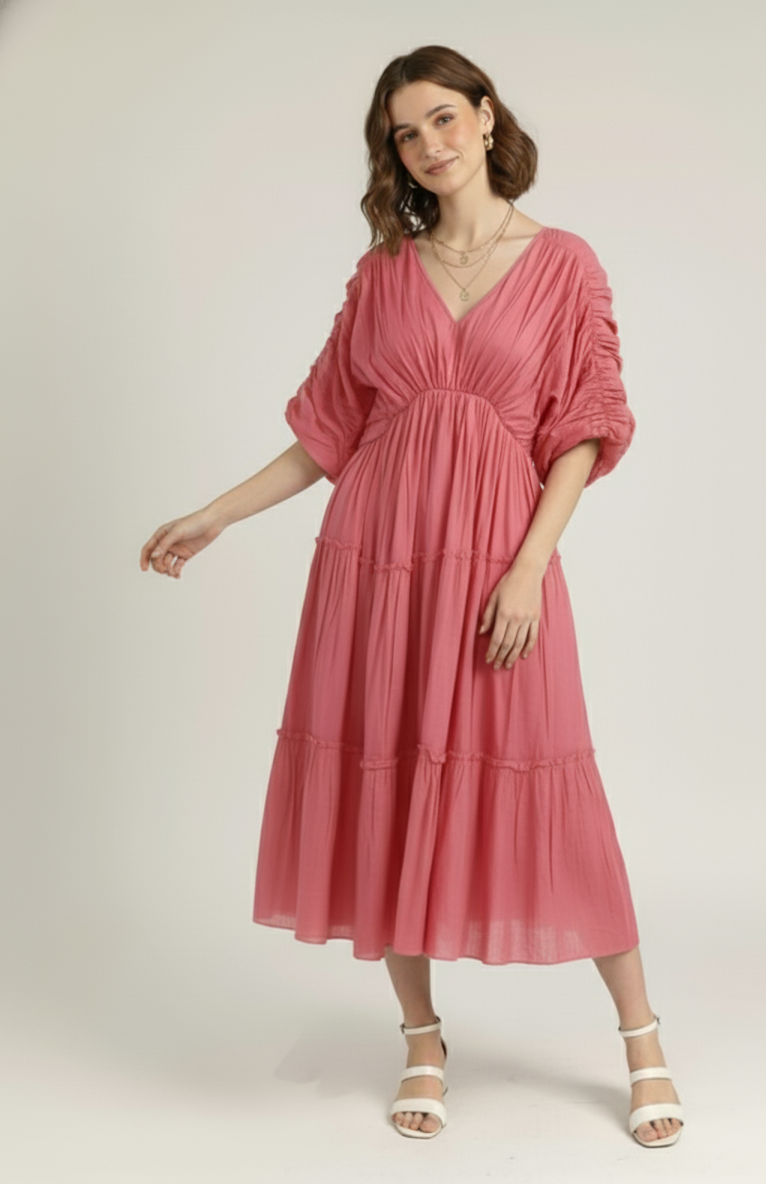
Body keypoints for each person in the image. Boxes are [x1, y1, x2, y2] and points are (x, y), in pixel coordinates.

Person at [139, 44, 683, 1148]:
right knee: (386, 780)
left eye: (443, 119)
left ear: (487, 119)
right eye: (405, 133)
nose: (428, 146)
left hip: (495, 557)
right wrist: (216, 513)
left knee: (553, 783)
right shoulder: (383, 270)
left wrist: (528, 564)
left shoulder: (566, 263)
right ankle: (423, 1036)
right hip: (374, 563)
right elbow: (328, 433)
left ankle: (642, 1038)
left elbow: (583, 423)